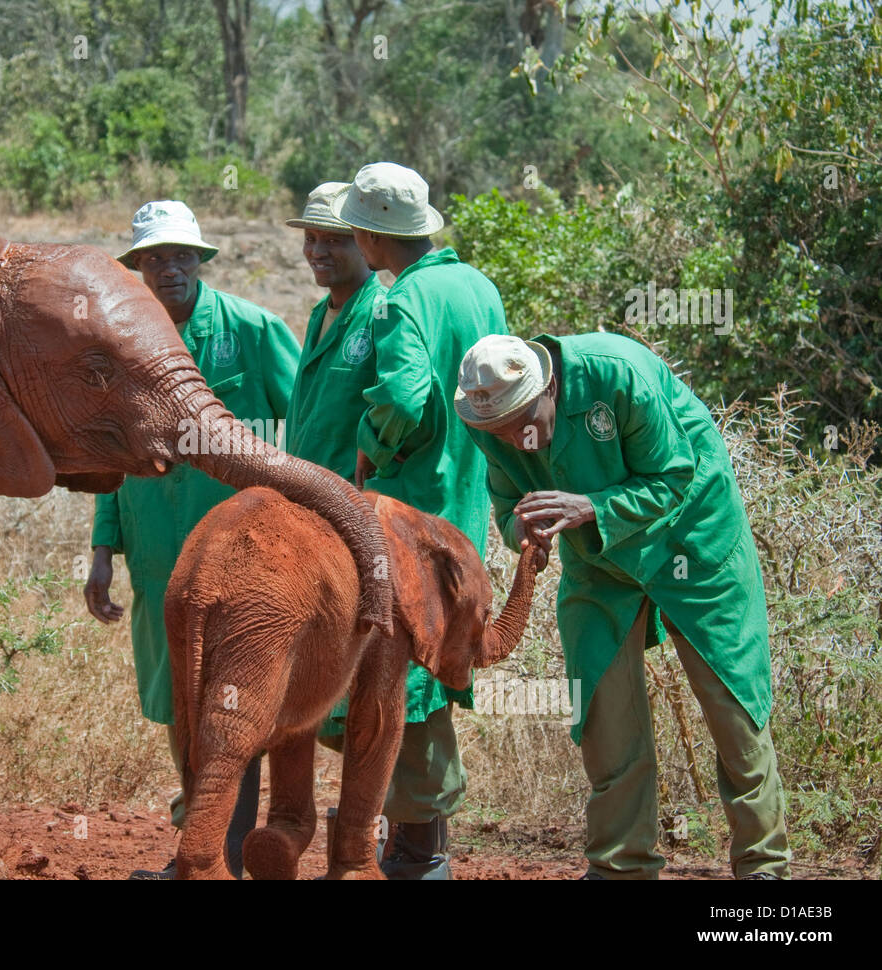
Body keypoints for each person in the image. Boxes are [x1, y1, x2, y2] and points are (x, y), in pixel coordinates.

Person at [454, 332, 792, 879]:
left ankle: (764, 873)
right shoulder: (489, 423)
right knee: (605, 716)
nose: (518, 440)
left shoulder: (617, 376)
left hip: (691, 539)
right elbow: (505, 496)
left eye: (523, 422)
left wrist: (593, 504)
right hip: (599, 558)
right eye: (499, 431)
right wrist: (523, 528)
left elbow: (674, 474)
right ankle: (620, 869)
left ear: (551, 386)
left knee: (733, 710)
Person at [83, 200, 301, 879]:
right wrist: (101, 548)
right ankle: (205, 854)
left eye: (181, 256)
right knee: (184, 705)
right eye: (154, 258)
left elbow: (305, 431)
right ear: (138, 267)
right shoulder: (121, 342)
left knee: (240, 704)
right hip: (156, 557)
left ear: (200, 261)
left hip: (245, 560)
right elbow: (109, 451)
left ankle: (225, 855)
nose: (168, 268)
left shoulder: (254, 331)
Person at [322, 163, 509, 878]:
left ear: (370, 237)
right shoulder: (476, 287)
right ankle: (416, 836)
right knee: (434, 651)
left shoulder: (405, 300)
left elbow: (403, 393)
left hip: (410, 506)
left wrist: (370, 450)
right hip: (465, 495)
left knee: (399, 665)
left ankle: (415, 848)